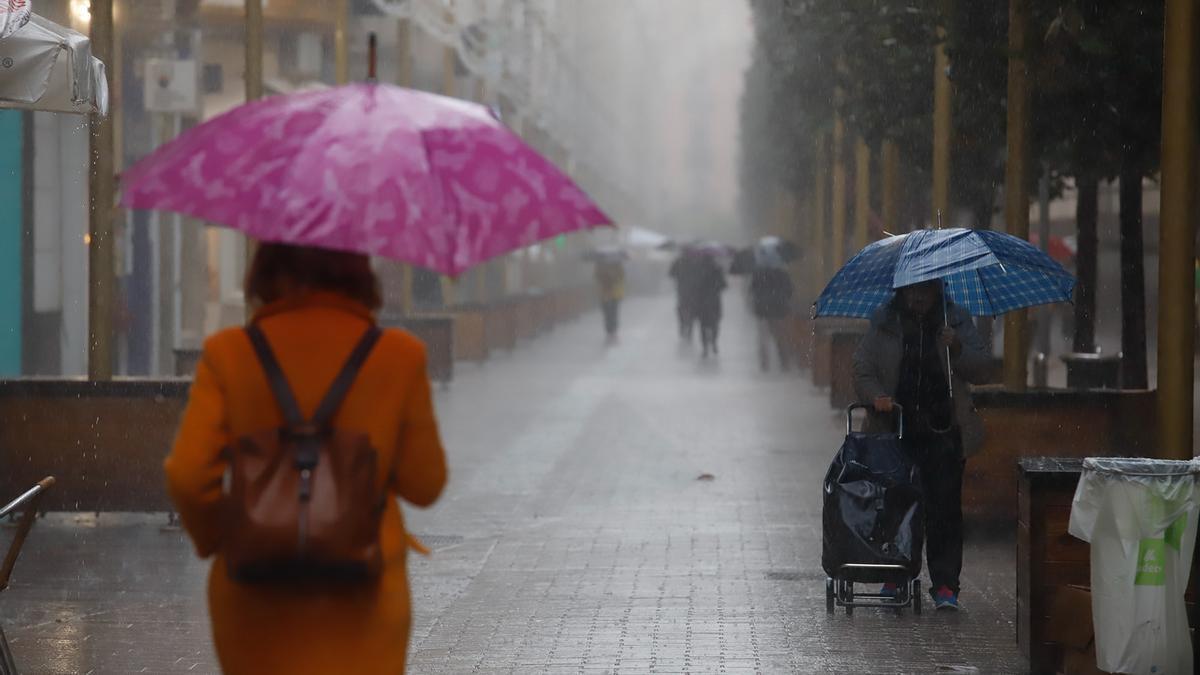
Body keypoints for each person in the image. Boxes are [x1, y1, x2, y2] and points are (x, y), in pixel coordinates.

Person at [164, 243, 448, 674]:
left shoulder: (229, 354)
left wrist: (220, 538)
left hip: (255, 598)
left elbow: (188, 475)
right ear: (358, 270)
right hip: (364, 599)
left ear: (267, 267)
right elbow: (425, 484)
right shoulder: (399, 356)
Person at [851, 279, 990, 611]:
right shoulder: (884, 322)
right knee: (896, 506)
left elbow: (982, 368)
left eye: (924, 289)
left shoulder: (955, 319)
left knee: (944, 511)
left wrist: (957, 348)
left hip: (944, 431)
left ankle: (945, 585)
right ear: (900, 290)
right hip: (896, 431)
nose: (917, 296)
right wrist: (875, 397)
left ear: (937, 289)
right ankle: (897, 573)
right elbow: (862, 370)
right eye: (911, 289)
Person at [748, 250, 795, 371]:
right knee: (780, 336)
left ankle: (764, 363)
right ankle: (784, 362)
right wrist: (781, 297)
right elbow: (789, 290)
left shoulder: (757, 273)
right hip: (779, 309)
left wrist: (759, 299)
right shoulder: (782, 273)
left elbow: (752, 290)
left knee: (763, 338)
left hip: (762, 310)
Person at [693, 254, 727, 358]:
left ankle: (704, 347)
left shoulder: (698, 270)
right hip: (714, 301)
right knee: (715, 323)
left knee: (703, 325)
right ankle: (714, 342)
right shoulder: (717, 269)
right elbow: (724, 285)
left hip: (701, 302)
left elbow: (694, 285)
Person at [669, 253, 698, 342]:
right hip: (693, 290)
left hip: (682, 289)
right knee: (691, 308)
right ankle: (689, 327)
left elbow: (671, 274)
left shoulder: (678, 262)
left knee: (682, 307)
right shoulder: (695, 262)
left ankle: (682, 325)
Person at [595, 258, 626, 342]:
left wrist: (612, 276)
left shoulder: (617, 267)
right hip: (605, 295)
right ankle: (609, 332)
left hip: (614, 295)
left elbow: (621, 277)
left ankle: (613, 332)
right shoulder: (600, 267)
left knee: (613, 313)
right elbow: (597, 277)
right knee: (607, 314)